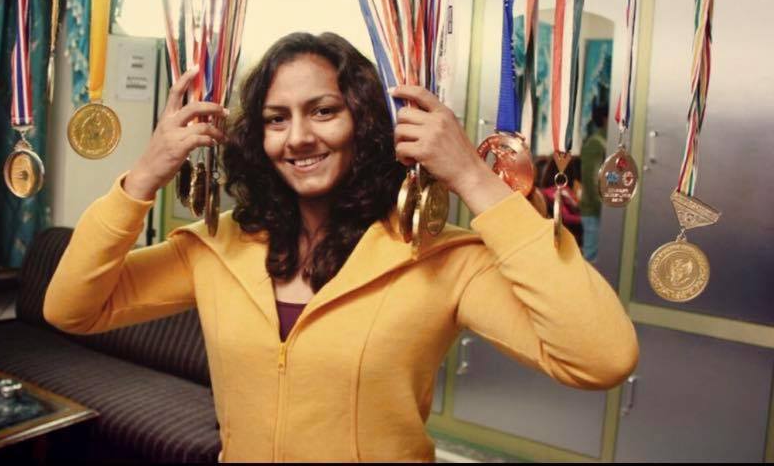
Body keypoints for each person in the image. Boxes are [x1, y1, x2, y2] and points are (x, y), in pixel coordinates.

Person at [44, 32, 638, 462]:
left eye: (324, 111)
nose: (299, 137)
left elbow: (601, 358)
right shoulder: (215, 245)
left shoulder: (442, 260)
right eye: (276, 119)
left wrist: (472, 178)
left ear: (366, 122)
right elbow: (71, 308)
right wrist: (142, 178)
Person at [579, 99, 609, 262]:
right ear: (605, 119)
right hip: (594, 211)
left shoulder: (608, 142)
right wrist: (603, 209)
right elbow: (591, 181)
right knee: (592, 259)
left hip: (602, 210)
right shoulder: (596, 143)